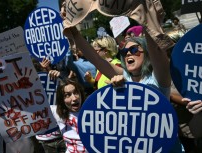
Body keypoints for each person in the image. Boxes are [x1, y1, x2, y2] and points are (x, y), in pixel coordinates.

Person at [60, 1, 183, 151]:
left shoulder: (158, 79)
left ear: (146, 55)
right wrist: (73, 31)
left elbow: (156, 50)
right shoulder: (125, 77)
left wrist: (144, 18)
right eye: (124, 52)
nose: (128, 54)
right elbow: (97, 59)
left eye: (135, 50)